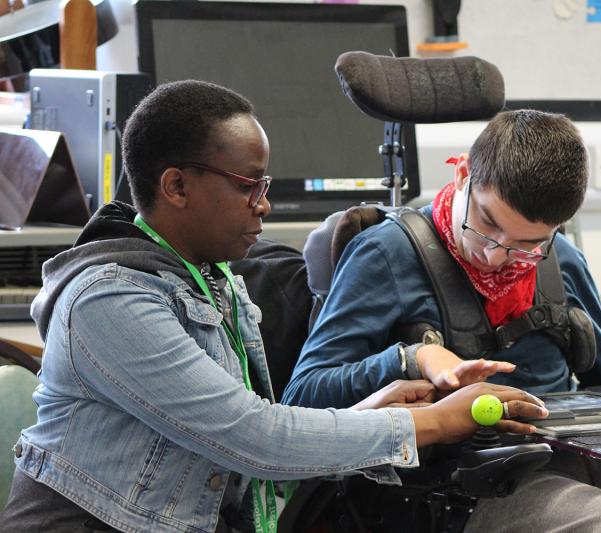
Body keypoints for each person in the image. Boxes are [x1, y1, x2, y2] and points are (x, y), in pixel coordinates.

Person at [0, 81, 547, 533]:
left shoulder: (215, 281)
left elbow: (244, 438)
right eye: (248, 185)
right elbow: (254, 438)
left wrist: (368, 414)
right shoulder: (110, 300)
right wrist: (432, 422)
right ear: (176, 186)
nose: (264, 203)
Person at [283, 110, 601, 532]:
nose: (497, 256)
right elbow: (302, 397)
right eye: (488, 224)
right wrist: (410, 359)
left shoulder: (562, 262)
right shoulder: (385, 254)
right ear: (463, 176)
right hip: (460, 480)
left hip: (573, 456)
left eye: (525, 243)